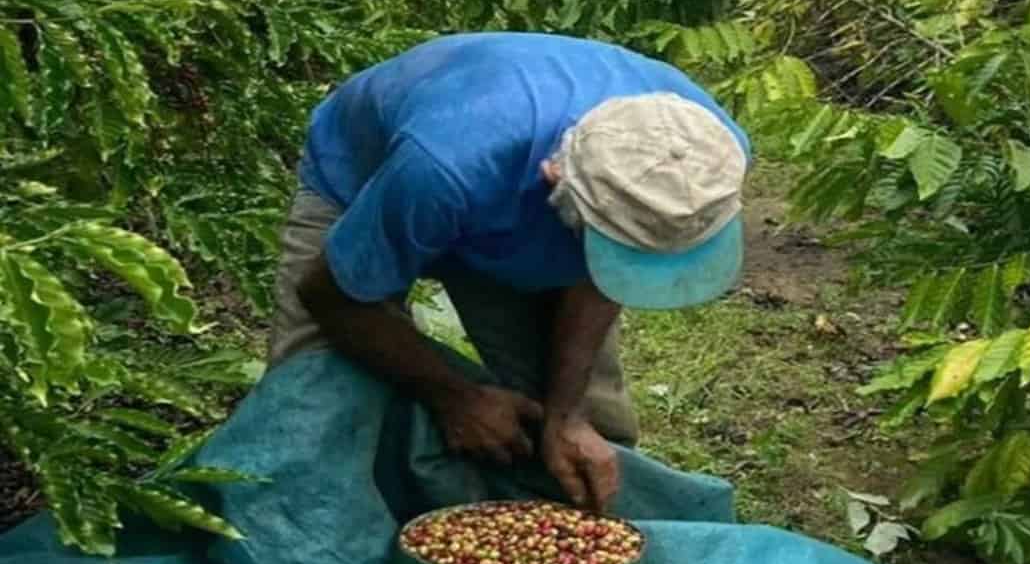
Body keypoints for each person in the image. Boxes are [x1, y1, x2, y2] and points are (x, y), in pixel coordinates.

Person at [266, 32, 751, 514]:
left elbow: (601, 274)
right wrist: (456, 398)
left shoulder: (706, 153)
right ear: (554, 179)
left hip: (493, 193)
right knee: (314, 395)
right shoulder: (441, 169)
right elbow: (329, 295)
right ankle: (310, 540)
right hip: (372, 172)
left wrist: (565, 414)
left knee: (583, 424)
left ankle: (577, 531)